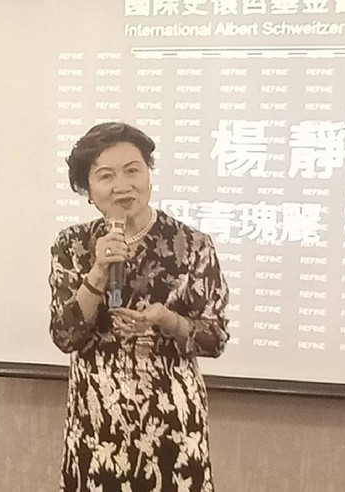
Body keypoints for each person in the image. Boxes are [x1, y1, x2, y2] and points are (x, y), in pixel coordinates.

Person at [49, 122, 229, 492]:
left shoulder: (192, 245)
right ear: (87, 190)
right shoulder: (72, 245)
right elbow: (65, 336)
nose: (123, 185)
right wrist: (98, 271)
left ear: (148, 175)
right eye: (106, 175)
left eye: (133, 170)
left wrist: (168, 320)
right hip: (98, 424)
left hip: (173, 426)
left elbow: (215, 338)